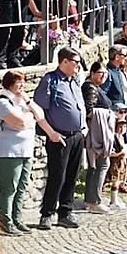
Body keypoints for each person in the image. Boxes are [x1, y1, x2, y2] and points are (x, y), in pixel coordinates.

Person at [0, 70, 58, 235]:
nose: (22, 85)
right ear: (9, 84)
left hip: (25, 151)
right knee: (9, 188)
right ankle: (6, 222)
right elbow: (19, 122)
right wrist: (29, 117)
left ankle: (17, 219)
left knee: (21, 187)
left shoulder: (21, 101)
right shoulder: (3, 102)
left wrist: (28, 102)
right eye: (18, 82)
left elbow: (40, 115)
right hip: (8, 152)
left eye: (23, 81)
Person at [33, 47, 87, 230]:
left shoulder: (74, 80)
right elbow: (38, 110)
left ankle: (65, 212)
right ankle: (47, 214)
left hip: (77, 135)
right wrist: (51, 133)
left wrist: (84, 127)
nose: (78, 66)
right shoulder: (50, 80)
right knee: (58, 176)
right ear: (64, 61)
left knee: (72, 175)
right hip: (59, 136)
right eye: (76, 62)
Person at [82, 62, 114, 215]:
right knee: (100, 165)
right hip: (96, 134)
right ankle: (94, 201)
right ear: (92, 73)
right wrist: (107, 114)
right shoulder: (90, 88)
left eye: (105, 74)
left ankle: (91, 199)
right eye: (101, 73)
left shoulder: (95, 87)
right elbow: (89, 111)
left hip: (99, 133)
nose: (103, 76)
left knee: (98, 166)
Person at [107, 120, 127, 209]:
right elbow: (110, 153)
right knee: (115, 181)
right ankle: (113, 201)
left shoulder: (123, 138)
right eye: (120, 127)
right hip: (115, 162)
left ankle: (115, 200)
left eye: (124, 127)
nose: (122, 129)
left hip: (122, 162)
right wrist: (120, 153)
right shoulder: (113, 138)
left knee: (119, 180)